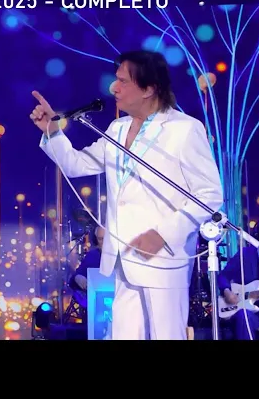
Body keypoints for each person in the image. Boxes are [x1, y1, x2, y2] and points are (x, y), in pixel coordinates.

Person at [30, 50, 224, 340]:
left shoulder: (184, 129)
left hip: (163, 258)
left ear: (148, 88)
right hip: (124, 257)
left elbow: (209, 194)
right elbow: (76, 165)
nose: (114, 88)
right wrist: (52, 132)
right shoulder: (117, 129)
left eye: (122, 81)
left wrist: (163, 234)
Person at [69, 225, 104, 293]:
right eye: (100, 239)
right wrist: (78, 278)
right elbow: (73, 279)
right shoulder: (92, 255)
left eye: (106, 239)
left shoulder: (121, 257)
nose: (104, 242)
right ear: (96, 240)